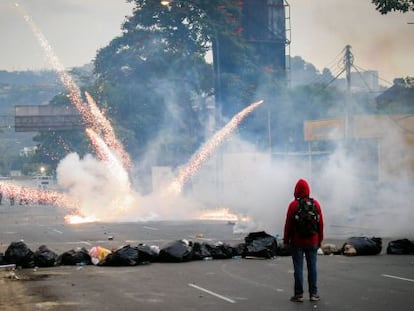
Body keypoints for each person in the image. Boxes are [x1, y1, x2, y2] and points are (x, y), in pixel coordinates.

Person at [283, 178, 324, 302]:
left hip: (297, 242)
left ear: (296, 191)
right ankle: (313, 294)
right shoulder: (315, 204)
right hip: (313, 241)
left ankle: (299, 294)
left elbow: (288, 225)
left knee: (298, 268)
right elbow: (320, 224)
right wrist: (320, 240)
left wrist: (286, 240)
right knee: (312, 268)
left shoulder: (293, 205)